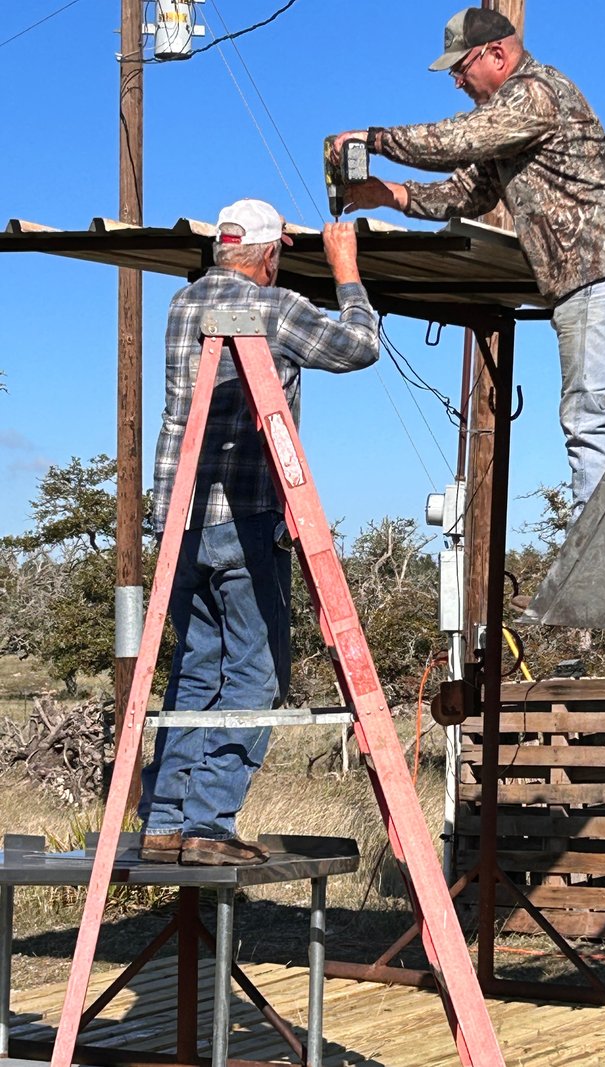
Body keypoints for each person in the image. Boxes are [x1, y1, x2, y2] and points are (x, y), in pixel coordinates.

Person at [333, 6, 605, 524]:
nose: (457, 82)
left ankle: (593, 555)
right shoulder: (512, 120)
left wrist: (371, 139)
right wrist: (388, 194)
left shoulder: (533, 93)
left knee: (590, 424)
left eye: (461, 68)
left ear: (497, 55)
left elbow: (457, 140)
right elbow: (470, 192)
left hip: (598, 277)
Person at [139, 199, 379, 866]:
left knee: (195, 668)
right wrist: (347, 273)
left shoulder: (182, 304)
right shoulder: (275, 307)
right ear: (269, 255)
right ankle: (208, 825)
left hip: (181, 517)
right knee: (255, 672)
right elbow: (359, 347)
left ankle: (165, 821)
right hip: (245, 516)